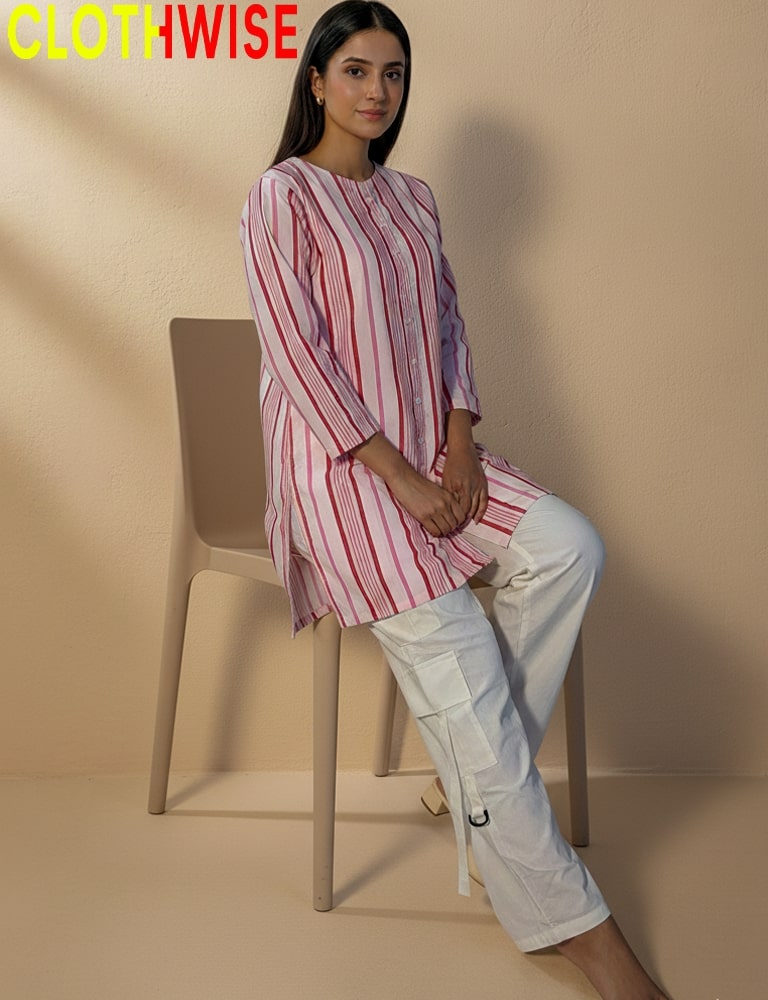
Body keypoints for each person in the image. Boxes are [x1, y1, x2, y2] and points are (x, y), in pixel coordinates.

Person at [241, 3, 669, 997]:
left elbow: (446, 327)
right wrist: (400, 476)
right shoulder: (281, 197)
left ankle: (472, 784)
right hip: (346, 477)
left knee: (570, 544)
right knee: (469, 685)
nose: (376, 92)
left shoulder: (415, 199)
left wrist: (463, 441)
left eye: (393, 75)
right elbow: (297, 359)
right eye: (355, 71)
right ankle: (587, 938)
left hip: (439, 459)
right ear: (315, 82)